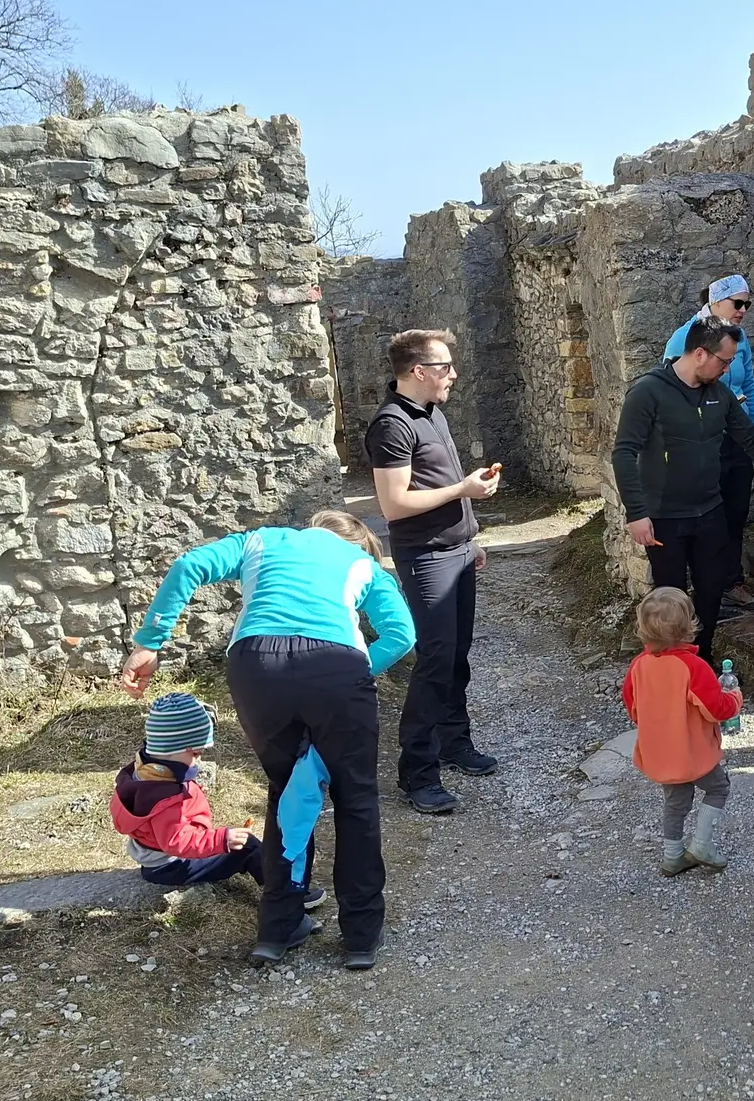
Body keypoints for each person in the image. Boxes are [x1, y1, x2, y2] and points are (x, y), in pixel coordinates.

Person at [118, 510, 414, 971]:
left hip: (257, 665)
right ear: (357, 545)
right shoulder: (364, 565)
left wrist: (150, 642)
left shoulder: (261, 541)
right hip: (336, 666)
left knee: (288, 791)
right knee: (355, 799)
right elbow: (401, 633)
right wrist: (357, 673)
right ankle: (360, 936)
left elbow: (188, 566)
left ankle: (277, 930)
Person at [366, 328, 503, 817]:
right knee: (434, 661)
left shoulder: (432, 413)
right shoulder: (391, 426)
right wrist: (462, 491)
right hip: (426, 558)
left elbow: (441, 483)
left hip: (458, 551)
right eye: (445, 366)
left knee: (456, 656)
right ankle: (418, 775)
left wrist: (471, 533)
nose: (454, 374)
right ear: (418, 371)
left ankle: (454, 744)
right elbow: (394, 504)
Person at [612, 317, 754, 661]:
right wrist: (637, 513)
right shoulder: (648, 392)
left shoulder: (720, 395)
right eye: (723, 361)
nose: (727, 369)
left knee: (712, 590)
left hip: (709, 511)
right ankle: (670, 667)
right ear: (700, 353)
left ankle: (703, 660)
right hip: (664, 517)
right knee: (670, 597)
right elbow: (624, 452)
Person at [108, 692, 327, 909]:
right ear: (172, 748)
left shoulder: (144, 773)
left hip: (155, 861)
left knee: (243, 845)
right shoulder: (165, 796)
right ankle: (286, 893)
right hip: (172, 865)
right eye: (195, 753)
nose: (198, 761)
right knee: (248, 848)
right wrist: (222, 840)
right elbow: (177, 842)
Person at [664, 274, 754, 613]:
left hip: (737, 439)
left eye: (748, 305)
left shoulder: (740, 340)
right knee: (706, 515)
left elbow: (749, 385)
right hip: (702, 442)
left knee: (736, 512)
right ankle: (704, 588)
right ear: (715, 301)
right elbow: (671, 394)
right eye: (738, 303)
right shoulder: (683, 338)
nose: (743, 311)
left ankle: (730, 582)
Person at [622, 587, 743, 876]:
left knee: (676, 801)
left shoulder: (638, 665)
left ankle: (672, 856)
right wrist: (735, 697)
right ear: (689, 626)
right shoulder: (693, 666)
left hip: (660, 750)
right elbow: (716, 709)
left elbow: (632, 706)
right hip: (691, 749)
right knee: (717, 787)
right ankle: (701, 844)